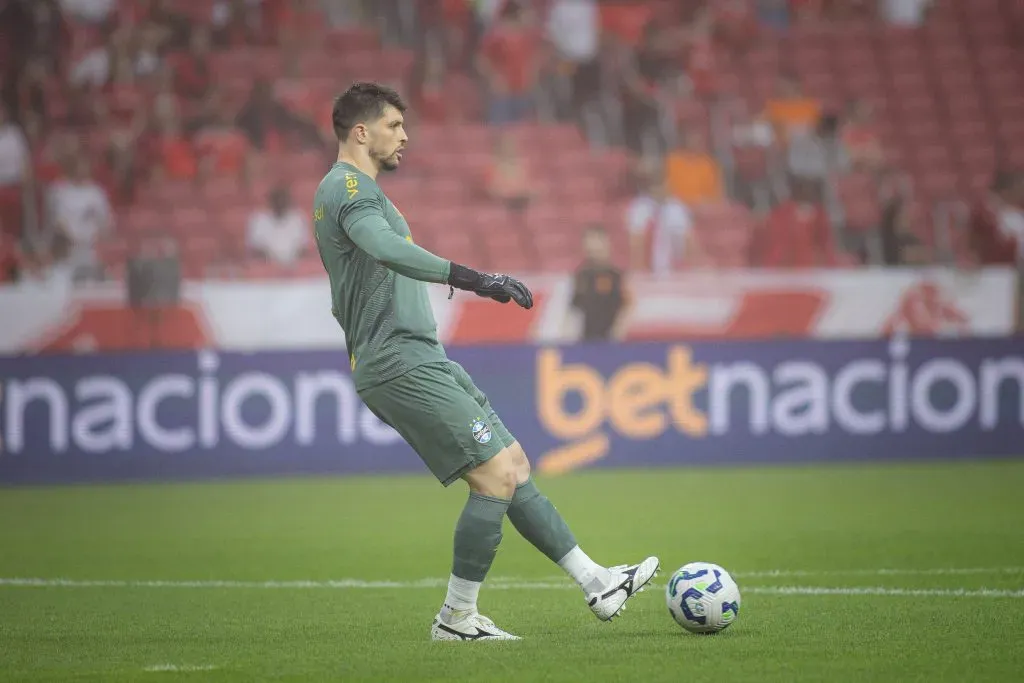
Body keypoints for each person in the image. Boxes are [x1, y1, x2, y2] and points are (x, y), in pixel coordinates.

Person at [312, 82, 659, 642]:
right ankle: (456, 618)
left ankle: (597, 581)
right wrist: (477, 280)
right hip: (399, 359)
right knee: (494, 476)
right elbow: (387, 248)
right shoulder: (348, 187)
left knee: (513, 465)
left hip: (422, 354)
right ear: (361, 132)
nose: (405, 136)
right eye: (394, 125)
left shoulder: (360, 190)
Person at [570, 225, 629, 341]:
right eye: (589, 241)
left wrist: (618, 332)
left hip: (610, 340)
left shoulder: (616, 275)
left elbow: (627, 306)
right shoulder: (581, 275)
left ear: (606, 242)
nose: (592, 246)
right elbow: (575, 308)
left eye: (596, 240)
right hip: (586, 339)